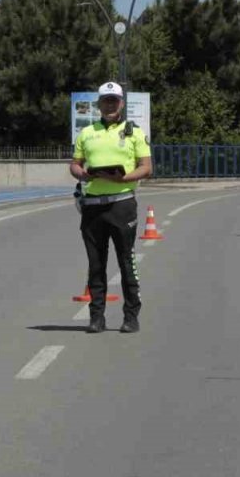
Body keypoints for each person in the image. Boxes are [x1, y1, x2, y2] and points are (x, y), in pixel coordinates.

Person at [69, 82, 153, 334]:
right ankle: (96, 317)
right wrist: (82, 174)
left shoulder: (134, 132)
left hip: (122, 204)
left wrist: (124, 178)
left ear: (121, 103)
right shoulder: (87, 133)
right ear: (99, 104)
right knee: (96, 264)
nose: (109, 105)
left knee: (126, 261)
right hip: (92, 207)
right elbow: (74, 164)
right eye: (105, 101)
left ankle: (131, 316)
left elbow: (146, 167)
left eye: (114, 101)